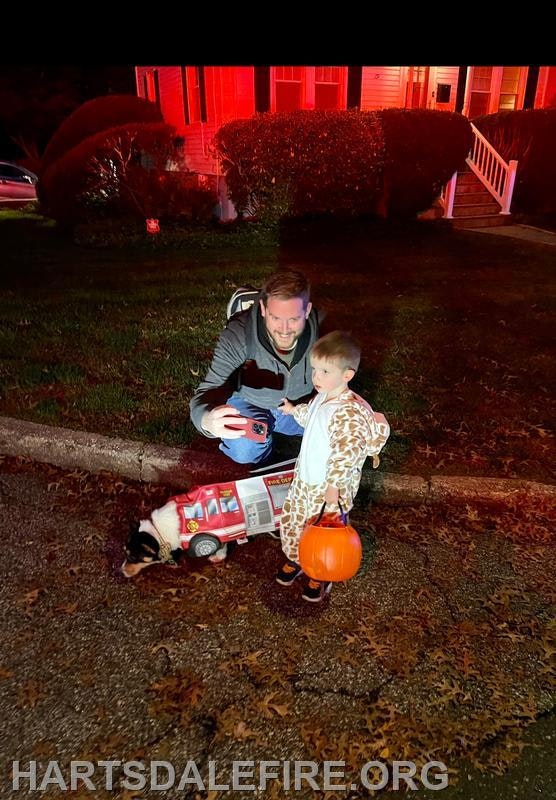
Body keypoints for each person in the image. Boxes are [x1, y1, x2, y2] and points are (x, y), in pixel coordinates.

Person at [275, 331, 390, 602]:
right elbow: (312, 415)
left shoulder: (348, 412)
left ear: (347, 375)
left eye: (325, 371)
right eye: (314, 369)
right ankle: (297, 558)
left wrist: (334, 487)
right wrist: (294, 410)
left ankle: (320, 572)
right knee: (294, 521)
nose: (316, 377)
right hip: (305, 481)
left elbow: (345, 453)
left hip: (329, 488)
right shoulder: (323, 395)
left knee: (324, 533)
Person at [189, 269, 320, 464]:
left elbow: (338, 379)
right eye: (275, 318)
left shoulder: (324, 333)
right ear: (264, 310)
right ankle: (264, 453)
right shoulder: (238, 335)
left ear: (307, 311)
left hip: (298, 407)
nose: (284, 331)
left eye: (293, 319)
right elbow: (209, 389)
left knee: (338, 426)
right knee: (245, 450)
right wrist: (206, 420)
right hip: (250, 402)